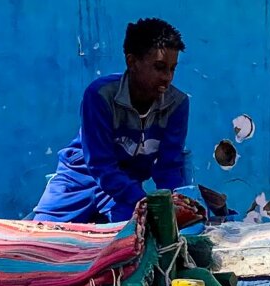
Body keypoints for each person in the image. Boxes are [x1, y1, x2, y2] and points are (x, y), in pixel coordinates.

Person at [30, 18, 201, 226]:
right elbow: (99, 164)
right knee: (41, 238)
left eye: (172, 69)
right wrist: (142, 199)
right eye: (159, 67)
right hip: (77, 181)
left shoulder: (177, 104)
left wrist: (172, 205)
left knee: (137, 237)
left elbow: (169, 167)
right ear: (132, 61)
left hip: (125, 189)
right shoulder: (100, 95)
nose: (167, 77)